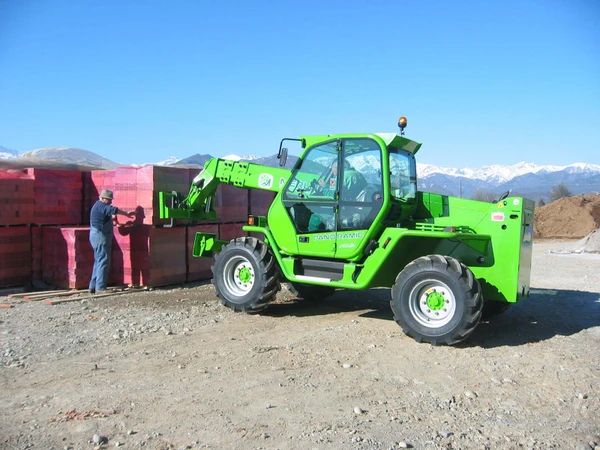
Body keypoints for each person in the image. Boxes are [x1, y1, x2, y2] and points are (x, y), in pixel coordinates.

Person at [89, 189, 135, 294]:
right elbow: (113, 210)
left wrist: (117, 222)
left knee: (98, 261)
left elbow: (109, 215)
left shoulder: (98, 207)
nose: (110, 202)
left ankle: (93, 286)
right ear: (103, 198)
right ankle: (100, 287)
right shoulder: (101, 205)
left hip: (96, 236)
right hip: (100, 236)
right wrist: (127, 214)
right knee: (103, 260)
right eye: (109, 200)